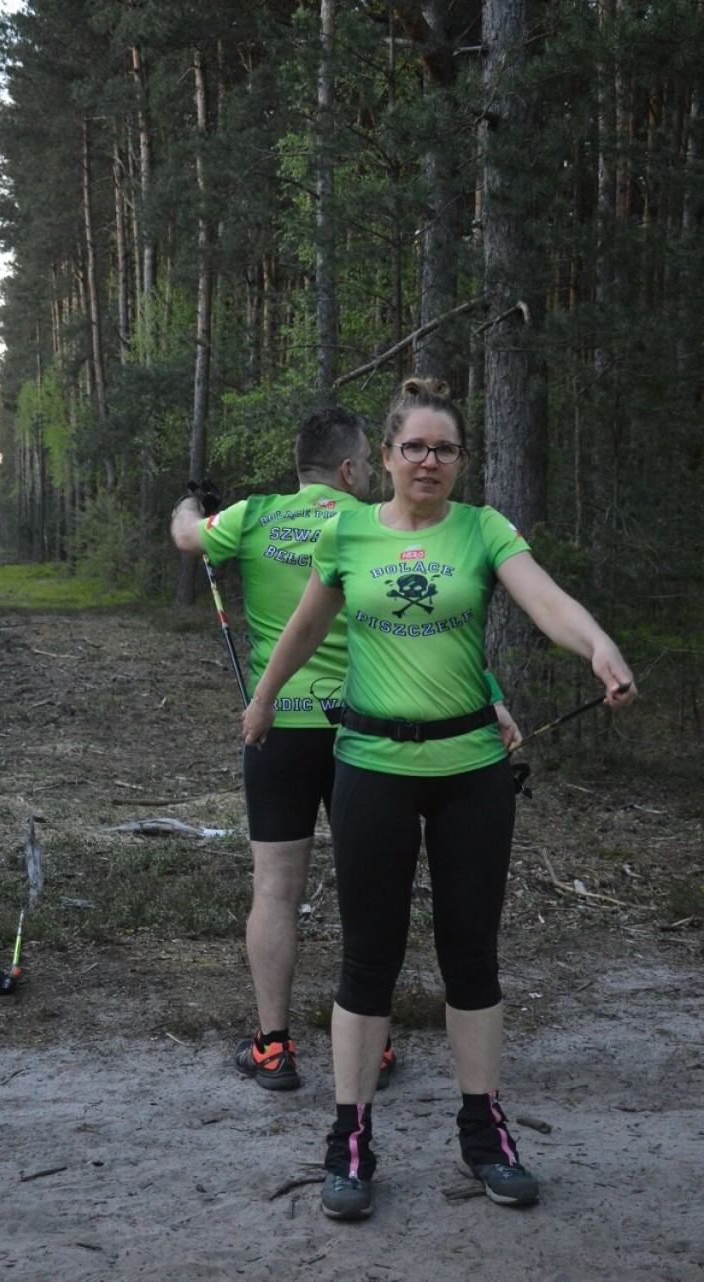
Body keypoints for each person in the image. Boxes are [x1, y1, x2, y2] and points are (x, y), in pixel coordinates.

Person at [241, 378, 637, 1218]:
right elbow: (309, 626)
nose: (429, 461)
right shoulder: (347, 531)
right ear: (382, 457)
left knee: (471, 957)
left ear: (461, 461)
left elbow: (544, 600)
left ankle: (484, 1130)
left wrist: (597, 642)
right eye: (414, 447)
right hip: (373, 769)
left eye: (445, 449)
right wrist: (266, 698)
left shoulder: (482, 529)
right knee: (367, 958)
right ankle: (350, 1137)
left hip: (471, 774)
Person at [172, 405, 519, 1094]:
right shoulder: (364, 530)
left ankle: (274, 1045)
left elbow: (188, 536)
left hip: (281, 727)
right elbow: (427, 631)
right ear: (355, 466)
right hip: (367, 731)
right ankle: (373, 1045)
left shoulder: (256, 514)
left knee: (275, 889)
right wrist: (491, 695)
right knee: (371, 899)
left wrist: (192, 502)